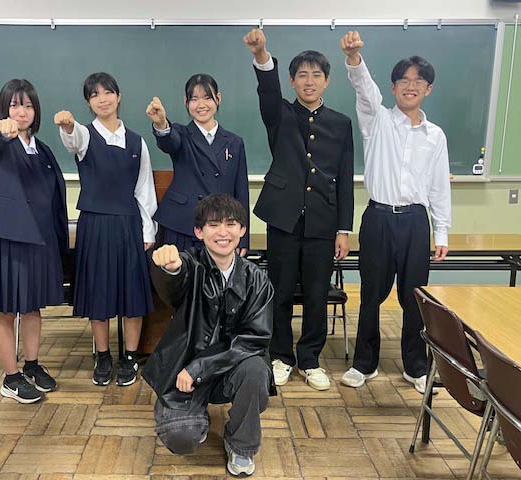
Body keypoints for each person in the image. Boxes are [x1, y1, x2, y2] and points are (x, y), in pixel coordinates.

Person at [339, 31, 451, 394]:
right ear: (393, 87)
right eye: (404, 80)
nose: (410, 86)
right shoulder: (378, 120)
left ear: (428, 89)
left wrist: (442, 231)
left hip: (416, 222)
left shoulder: (435, 136)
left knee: (414, 298)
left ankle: (415, 366)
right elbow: (364, 88)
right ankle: (364, 363)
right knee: (371, 294)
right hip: (379, 219)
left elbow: (439, 187)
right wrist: (354, 59)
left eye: (418, 81)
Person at [243, 28, 354, 390]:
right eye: (302, 75)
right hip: (284, 218)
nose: (309, 81)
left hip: (323, 220)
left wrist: (344, 229)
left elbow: (345, 177)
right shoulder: (280, 114)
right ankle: (280, 356)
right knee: (280, 291)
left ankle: (310, 359)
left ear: (326, 81)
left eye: (316, 75)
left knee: (317, 294)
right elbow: (267, 91)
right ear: (291, 81)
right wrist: (261, 55)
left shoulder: (340, 123)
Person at [143, 193, 274, 477]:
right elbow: (174, 283)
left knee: (256, 371)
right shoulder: (190, 265)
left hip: (224, 369)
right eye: (213, 225)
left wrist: (199, 367)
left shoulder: (257, 279)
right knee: (181, 436)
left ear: (242, 230)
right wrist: (169, 267)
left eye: (231, 224)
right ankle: (192, 415)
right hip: (184, 371)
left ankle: (241, 444)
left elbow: (255, 338)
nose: (223, 232)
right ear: (199, 232)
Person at [55, 72, 158, 387]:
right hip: (95, 225)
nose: (102, 99)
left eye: (108, 92)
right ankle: (103, 355)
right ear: (89, 102)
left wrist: (148, 233)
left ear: (118, 96)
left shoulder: (137, 142)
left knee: (132, 295)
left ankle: (130, 356)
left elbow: (144, 190)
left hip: (129, 224)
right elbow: (73, 139)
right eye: (94, 94)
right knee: (98, 293)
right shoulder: (85, 135)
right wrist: (67, 125)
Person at [0, 79, 68, 404]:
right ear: (5, 109)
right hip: (7, 239)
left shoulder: (42, 150)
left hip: (39, 241)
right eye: (15, 105)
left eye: (28, 105)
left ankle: (32, 365)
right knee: (5, 311)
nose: (22, 112)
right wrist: (2, 130)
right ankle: (11, 377)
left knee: (32, 308)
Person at [146, 74, 249, 254]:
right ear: (186, 102)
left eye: (207, 98)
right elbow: (169, 141)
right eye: (194, 99)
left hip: (219, 227)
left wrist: (243, 237)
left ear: (218, 98)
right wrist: (161, 123)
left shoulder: (234, 142)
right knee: (178, 270)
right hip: (181, 224)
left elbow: (241, 191)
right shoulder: (180, 133)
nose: (201, 105)